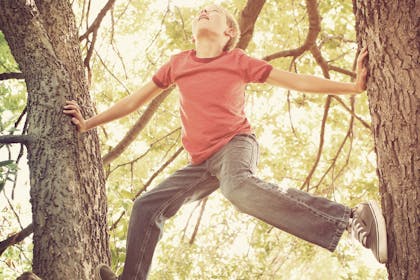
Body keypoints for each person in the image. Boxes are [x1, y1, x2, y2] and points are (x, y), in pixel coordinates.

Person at [63, 4, 387, 280]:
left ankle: (349, 218)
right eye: (201, 12)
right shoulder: (178, 64)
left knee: (237, 188)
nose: (205, 11)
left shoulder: (237, 61)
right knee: (145, 206)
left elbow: (296, 81)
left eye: (214, 11)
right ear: (193, 35)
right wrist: (88, 123)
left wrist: (353, 87)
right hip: (201, 164)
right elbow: (133, 101)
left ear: (228, 33)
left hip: (236, 144)